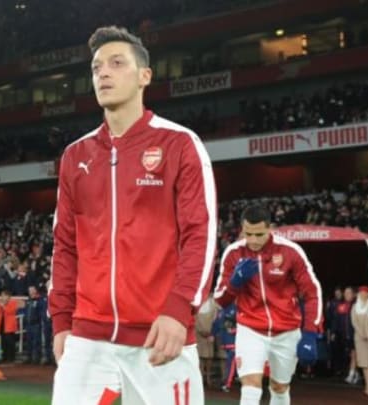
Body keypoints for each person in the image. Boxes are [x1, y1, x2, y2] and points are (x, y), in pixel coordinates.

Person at [49, 25, 217, 405]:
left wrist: (179, 309)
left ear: (145, 76)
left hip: (160, 335)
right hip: (87, 338)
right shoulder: (75, 156)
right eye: (95, 68)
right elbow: (64, 245)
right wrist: (61, 320)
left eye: (116, 63)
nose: (103, 73)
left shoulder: (179, 144)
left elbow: (200, 235)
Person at [214, 204, 323, 405]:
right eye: (248, 234)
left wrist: (310, 333)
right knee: (250, 386)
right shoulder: (233, 253)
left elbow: (312, 292)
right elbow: (220, 299)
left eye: (259, 234)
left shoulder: (291, 252)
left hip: (287, 330)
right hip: (251, 329)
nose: (253, 240)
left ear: (270, 228)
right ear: (241, 229)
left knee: (280, 387)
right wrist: (234, 283)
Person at [0, 290, 19, 363]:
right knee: (3, 342)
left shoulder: (13, 302)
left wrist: (3, 306)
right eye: (2, 295)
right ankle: (4, 356)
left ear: (8, 296)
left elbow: (11, 311)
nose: (2, 297)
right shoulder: (1, 303)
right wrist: (1, 306)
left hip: (9, 326)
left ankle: (11, 357)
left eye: (3, 295)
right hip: (2, 325)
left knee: (10, 342)